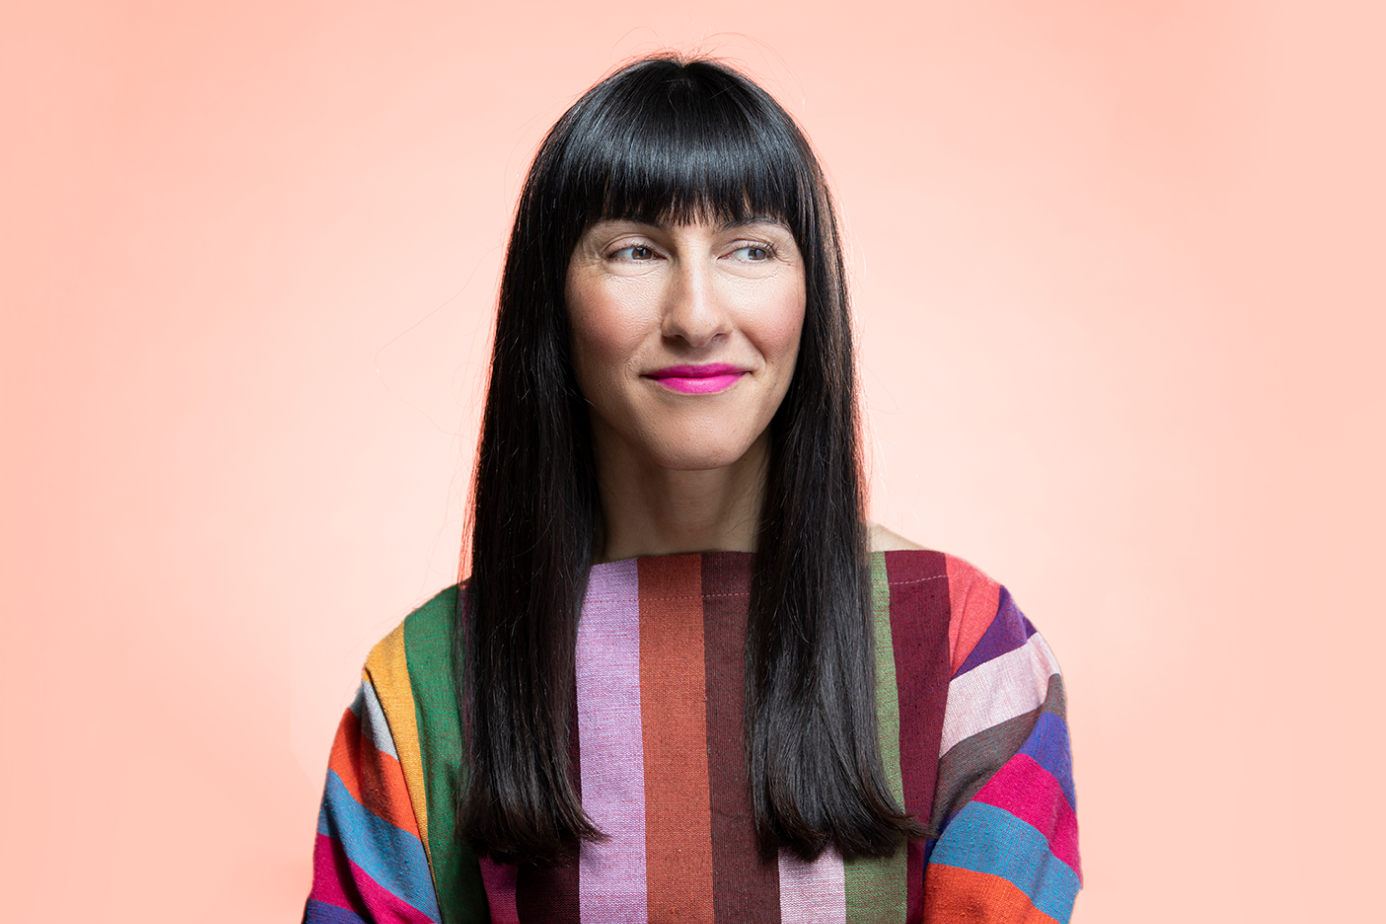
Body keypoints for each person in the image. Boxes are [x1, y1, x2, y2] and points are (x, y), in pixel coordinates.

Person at [302, 55, 1080, 924]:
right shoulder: (425, 682)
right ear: (551, 301)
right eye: (635, 250)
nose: (698, 315)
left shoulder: (968, 648)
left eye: (750, 247)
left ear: (810, 294)